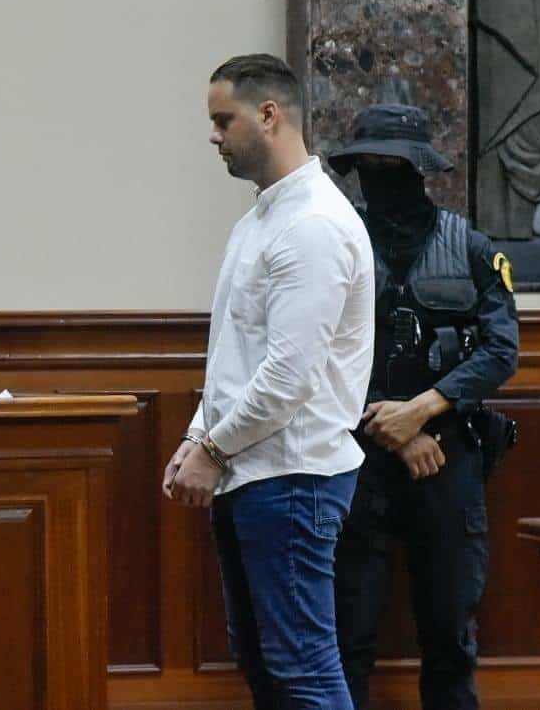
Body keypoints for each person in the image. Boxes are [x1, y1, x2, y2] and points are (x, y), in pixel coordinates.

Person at [163, 54, 375, 710]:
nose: (214, 135)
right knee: (263, 658)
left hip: (293, 477)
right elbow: (236, 352)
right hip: (253, 470)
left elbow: (288, 376)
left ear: (269, 114)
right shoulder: (262, 219)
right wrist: (200, 435)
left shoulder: (312, 224)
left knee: (303, 667)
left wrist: (214, 449)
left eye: (224, 120)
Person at [327, 104, 520, 710]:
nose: (383, 177)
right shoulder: (334, 245)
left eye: (396, 165)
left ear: (421, 170)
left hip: (450, 462)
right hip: (353, 463)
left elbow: (500, 350)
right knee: (347, 639)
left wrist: (425, 409)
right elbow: (312, 356)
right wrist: (395, 426)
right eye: (370, 165)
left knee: (450, 636)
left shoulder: (471, 248)